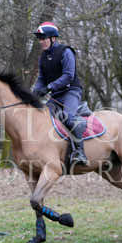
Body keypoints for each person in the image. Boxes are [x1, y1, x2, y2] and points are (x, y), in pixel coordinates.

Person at [32, 22, 88, 165]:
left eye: (43, 38)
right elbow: (41, 78)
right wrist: (36, 91)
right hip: (56, 96)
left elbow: (68, 75)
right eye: (39, 39)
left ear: (53, 38)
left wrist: (49, 87)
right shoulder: (43, 57)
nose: (41, 41)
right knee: (42, 118)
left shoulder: (66, 52)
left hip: (71, 92)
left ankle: (79, 152)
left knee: (68, 118)